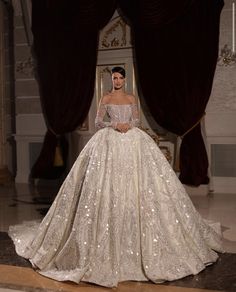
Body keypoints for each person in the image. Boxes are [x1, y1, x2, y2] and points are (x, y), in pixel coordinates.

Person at [9, 66, 223, 288]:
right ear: (111, 79)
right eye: (115, 77)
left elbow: (137, 121)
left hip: (133, 141)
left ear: (125, 79)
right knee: (105, 188)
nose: (117, 80)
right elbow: (99, 122)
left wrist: (128, 125)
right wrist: (115, 125)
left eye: (120, 77)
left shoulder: (131, 98)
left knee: (140, 187)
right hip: (109, 141)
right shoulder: (106, 97)